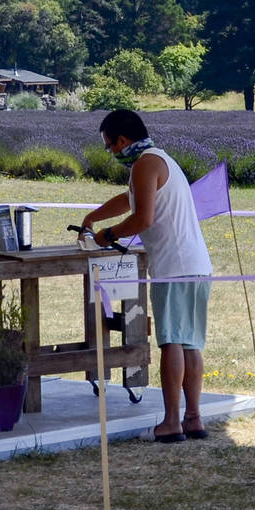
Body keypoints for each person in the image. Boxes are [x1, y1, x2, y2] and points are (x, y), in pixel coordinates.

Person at [81, 109, 213, 443]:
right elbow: (128, 201)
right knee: (190, 343)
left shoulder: (144, 164)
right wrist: (93, 217)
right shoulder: (158, 159)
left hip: (174, 267)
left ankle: (171, 422)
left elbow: (143, 218)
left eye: (111, 145)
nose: (111, 152)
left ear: (123, 139)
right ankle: (193, 418)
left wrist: (108, 235)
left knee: (172, 342)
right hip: (197, 264)